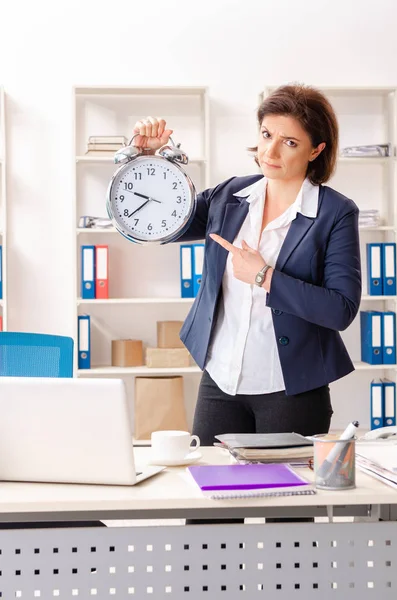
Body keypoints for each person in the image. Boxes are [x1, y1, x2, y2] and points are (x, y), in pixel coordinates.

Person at [132, 83, 361, 447]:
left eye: (289, 142)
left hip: (291, 390)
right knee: (210, 495)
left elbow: (341, 310)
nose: (269, 151)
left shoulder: (334, 213)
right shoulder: (230, 196)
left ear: (316, 150)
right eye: (267, 134)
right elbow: (158, 224)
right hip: (220, 381)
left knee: (287, 502)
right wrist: (148, 160)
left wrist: (264, 276)